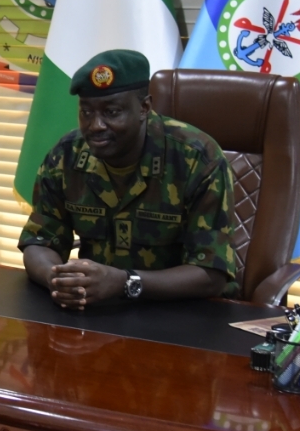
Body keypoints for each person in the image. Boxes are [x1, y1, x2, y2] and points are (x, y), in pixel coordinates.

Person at [19, 49, 238, 309]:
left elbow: (211, 275)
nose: (96, 125)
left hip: (185, 312)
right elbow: (39, 241)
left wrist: (125, 283)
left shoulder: (197, 159)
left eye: (111, 112)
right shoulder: (66, 156)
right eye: (86, 112)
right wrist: (56, 279)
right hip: (98, 310)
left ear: (144, 108)